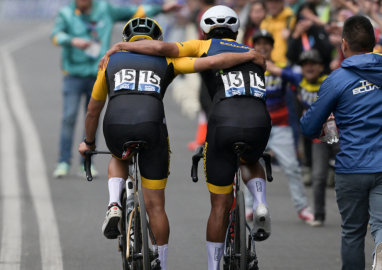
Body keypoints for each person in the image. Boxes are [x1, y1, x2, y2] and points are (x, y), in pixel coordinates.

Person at [78, 17, 266, 270]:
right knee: (155, 205)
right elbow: (211, 63)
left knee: (118, 157)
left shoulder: (109, 61)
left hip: (115, 125)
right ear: (157, 41)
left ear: (126, 41)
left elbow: (92, 111)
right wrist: (249, 56)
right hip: (153, 125)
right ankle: (162, 264)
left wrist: (88, 143)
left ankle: (114, 204)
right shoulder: (168, 60)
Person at [300, 15, 382, 269]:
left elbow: (308, 127)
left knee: (352, 233)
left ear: (344, 45)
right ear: (374, 42)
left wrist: (330, 121)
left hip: (353, 165)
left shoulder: (337, 79)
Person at [51, 0, 180, 178]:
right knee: (69, 117)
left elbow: (136, 12)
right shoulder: (66, 13)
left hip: (101, 72)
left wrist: (161, 9)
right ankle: (63, 161)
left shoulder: (105, 9)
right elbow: (55, 36)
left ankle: (85, 163)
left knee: (94, 115)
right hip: (74, 74)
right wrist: (72, 40)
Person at [248, 30, 315, 225]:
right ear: (253, 45)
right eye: (258, 43)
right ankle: (249, 208)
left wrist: (276, 70)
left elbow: (300, 80)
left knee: (292, 168)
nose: (262, 46)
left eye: (266, 43)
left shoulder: (283, 69)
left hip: (280, 126)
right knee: (250, 167)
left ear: (272, 46)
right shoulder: (248, 70)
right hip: (255, 127)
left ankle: (302, 208)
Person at [267, 49, 337, 226]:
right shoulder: (298, 80)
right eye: (305, 64)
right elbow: (275, 70)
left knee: (353, 172)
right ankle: (319, 215)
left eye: (313, 63)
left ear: (321, 67)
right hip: (318, 133)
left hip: (337, 129)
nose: (309, 67)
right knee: (318, 176)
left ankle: (365, 214)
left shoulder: (329, 81)